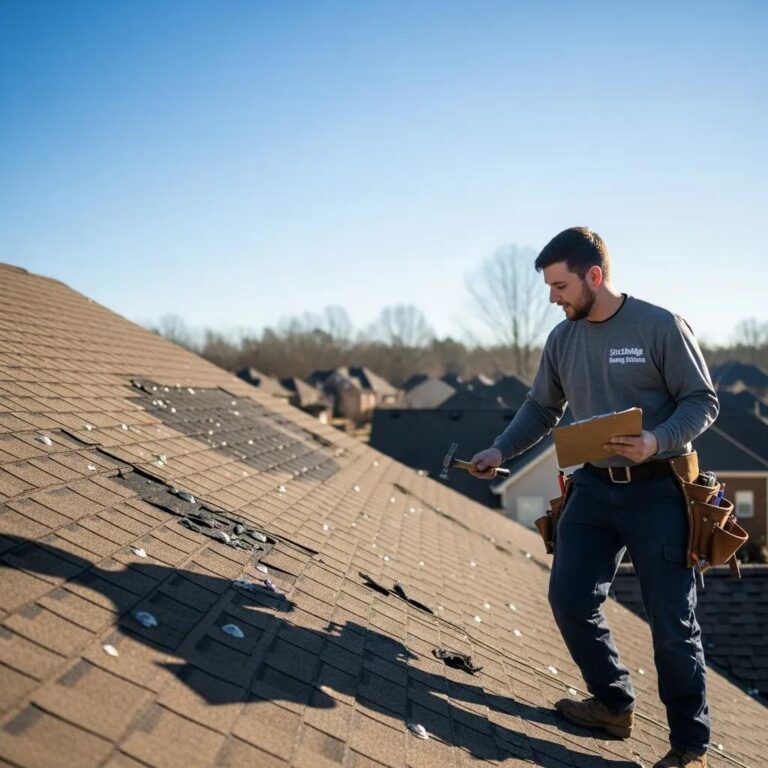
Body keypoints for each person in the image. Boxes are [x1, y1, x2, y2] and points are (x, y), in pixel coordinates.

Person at [471, 227, 717, 768]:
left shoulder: (659, 326)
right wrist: (497, 448)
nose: (553, 297)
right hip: (591, 490)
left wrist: (656, 438)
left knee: (672, 623)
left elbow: (702, 401)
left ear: (594, 277)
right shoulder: (563, 340)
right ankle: (612, 704)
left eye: (560, 285)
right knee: (569, 598)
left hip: (660, 491)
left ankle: (690, 748)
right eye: (550, 287)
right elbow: (542, 409)